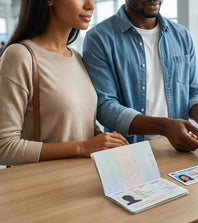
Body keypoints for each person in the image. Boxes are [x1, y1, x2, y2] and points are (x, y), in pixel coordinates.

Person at [0, 0, 128, 166]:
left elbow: (77, 124)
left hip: (83, 181)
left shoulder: (76, 57)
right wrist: (81, 148)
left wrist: (103, 140)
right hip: (46, 187)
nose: (91, 5)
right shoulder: (20, 56)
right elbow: (4, 148)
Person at [83, 0, 198, 152]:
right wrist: (164, 127)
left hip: (180, 149)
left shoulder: (182, 35)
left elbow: (194, 90)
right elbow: (105, 107)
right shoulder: (99, 38)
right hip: (128, 151)